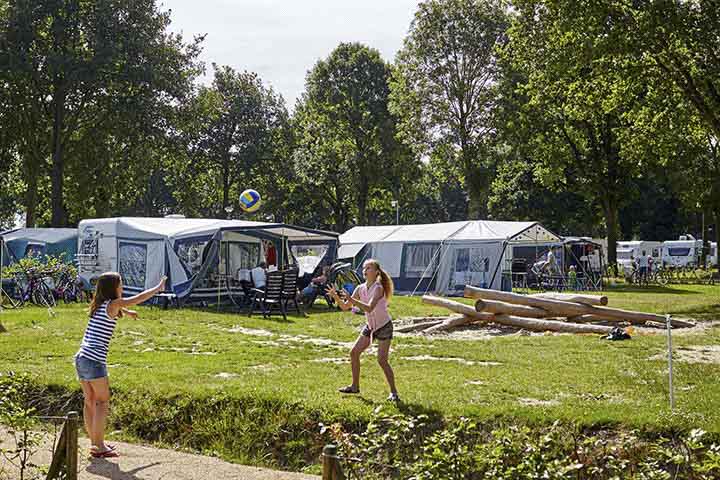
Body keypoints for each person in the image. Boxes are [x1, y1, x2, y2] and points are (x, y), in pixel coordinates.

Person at [75, 272, 166, 458]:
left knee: (89, 401)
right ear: (113, 288)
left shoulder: (98, 305)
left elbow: (116, 309)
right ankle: (99, 446)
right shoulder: (114, 304)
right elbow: (138, 298)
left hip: (81, 357)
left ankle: (94, 442)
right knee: (102, 402)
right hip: (94, 359)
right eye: (120, 284)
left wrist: (127, 312)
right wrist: (158, 288)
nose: (122, 288)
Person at [326, 259, 399, 402]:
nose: (365, 270)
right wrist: (335, 297)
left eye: (369, 268)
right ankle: (354, 387)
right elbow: (346, 307)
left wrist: (351, 300)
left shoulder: (378, 288)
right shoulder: (360, 288)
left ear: (376, 272)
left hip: (384, 326)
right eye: (364, 268)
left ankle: (394, 393)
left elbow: (369, 307)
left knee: (382, 361)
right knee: (354, 352)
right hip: (370, 326)